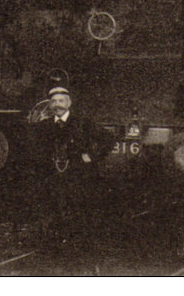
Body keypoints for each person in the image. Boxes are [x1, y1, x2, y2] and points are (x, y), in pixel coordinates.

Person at [31, 85, 114, 252]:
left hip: (78, 173)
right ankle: (56, 246)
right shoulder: (45, 125)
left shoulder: (82, 123)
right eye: (54, 101)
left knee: (77, 208)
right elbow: (22, 129)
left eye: (61, 101)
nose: (57, 104)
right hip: (54, 173)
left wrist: (92, 156)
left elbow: (108, 138)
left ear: (69, 103)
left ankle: (78, 248)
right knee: (54, 207)